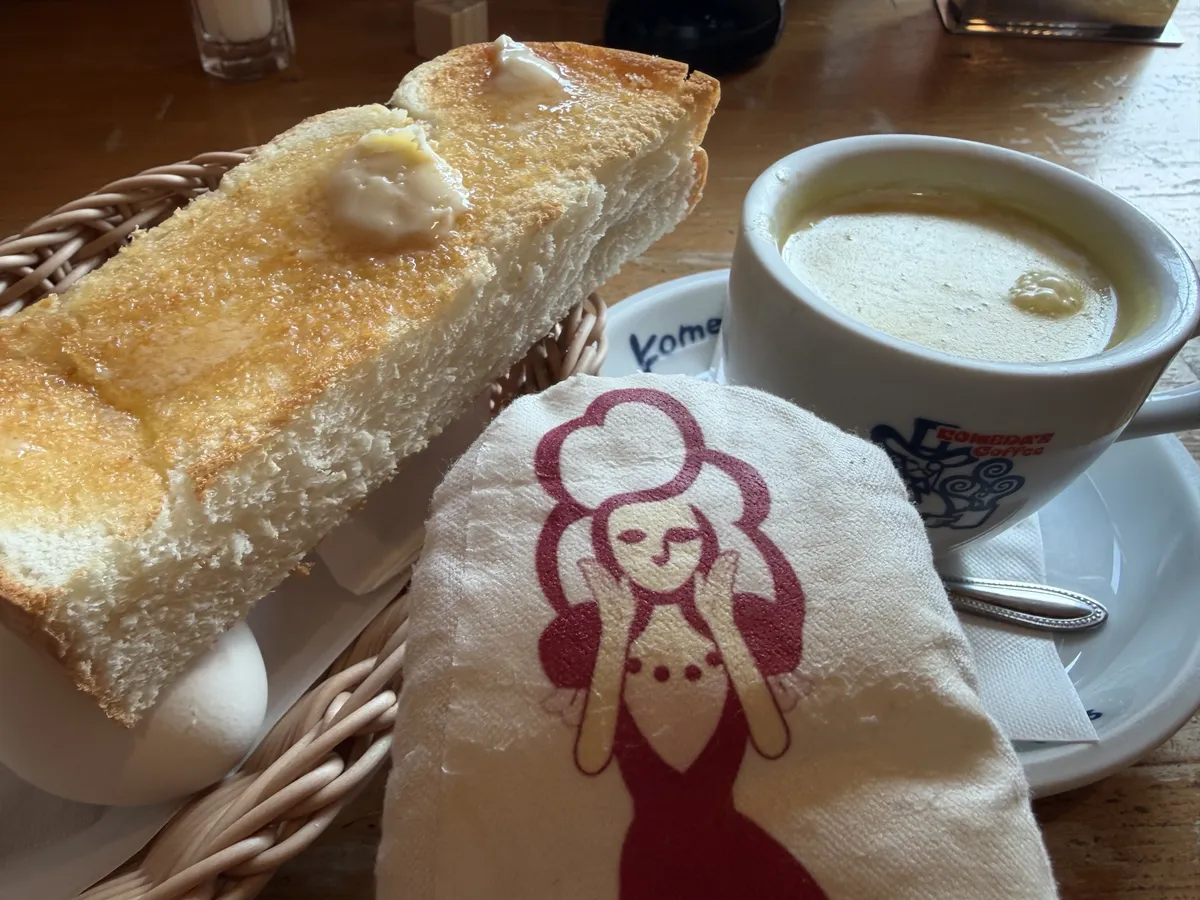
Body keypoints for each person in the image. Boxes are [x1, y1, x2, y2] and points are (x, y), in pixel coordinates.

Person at [534, 386, 828, 899]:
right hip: (654, 865)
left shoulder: (732, 631)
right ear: (606, 552)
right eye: (632, 540)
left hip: (742, 858)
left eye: (682, 536)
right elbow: (591, 759)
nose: (660, 554)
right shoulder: (610, 649)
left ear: (708, 542)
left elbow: (772, 742)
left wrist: (725, 626)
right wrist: (614, 635)